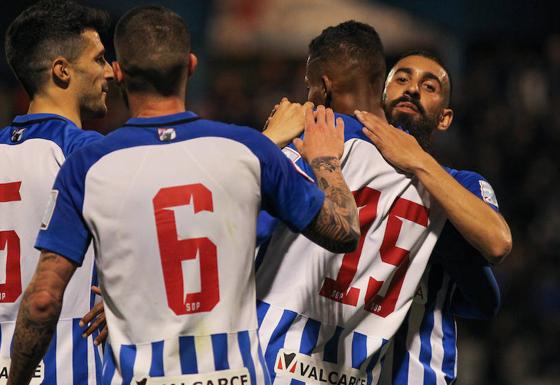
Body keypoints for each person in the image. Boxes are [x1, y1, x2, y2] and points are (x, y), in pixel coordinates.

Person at [7, 5, 360, 385]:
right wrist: (323, 160)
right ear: (192, 65)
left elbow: (43, 300)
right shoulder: (249, 150)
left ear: (122, 72)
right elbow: (343, 231)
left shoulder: (93, 164)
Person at [254, 21, 449, 385]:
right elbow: (486, 292)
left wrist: (266, 147)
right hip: (358, 370)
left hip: (273, 361)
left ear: (324, 87)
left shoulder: (303, 150)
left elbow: (232, 236)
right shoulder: (435, 185)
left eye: (310, 86)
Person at [354, 51, 512, 385]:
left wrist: (418, 162)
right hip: (333, 367)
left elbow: (498, 242)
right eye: (401, 79)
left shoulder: (464, 184)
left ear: (445, 118)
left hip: (417, 374)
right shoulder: (346, 165)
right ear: (381, 98)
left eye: (429, 86)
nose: (412, 89)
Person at [0, 1, 112, 384]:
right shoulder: (87, 154)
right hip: (66, 363)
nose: (110, 72)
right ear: (62, 70)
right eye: (99, 59)